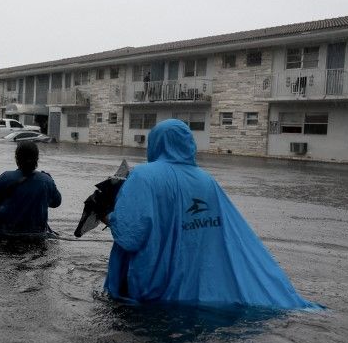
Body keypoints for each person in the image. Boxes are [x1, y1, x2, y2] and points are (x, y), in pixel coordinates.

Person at [104, 119, 319, 309]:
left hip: (149, 291)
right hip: (196, 289)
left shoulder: (143, 176)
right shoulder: (206, 180)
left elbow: (130, 236)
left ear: (156, 143)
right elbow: (225, 234)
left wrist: (108, 215)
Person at [0, 141, 62, 237]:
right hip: (37, 237)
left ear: (17, 158)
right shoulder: (47, 181)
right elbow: (56, 203)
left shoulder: (5, 178)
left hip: (1, 237)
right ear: (37, 159)